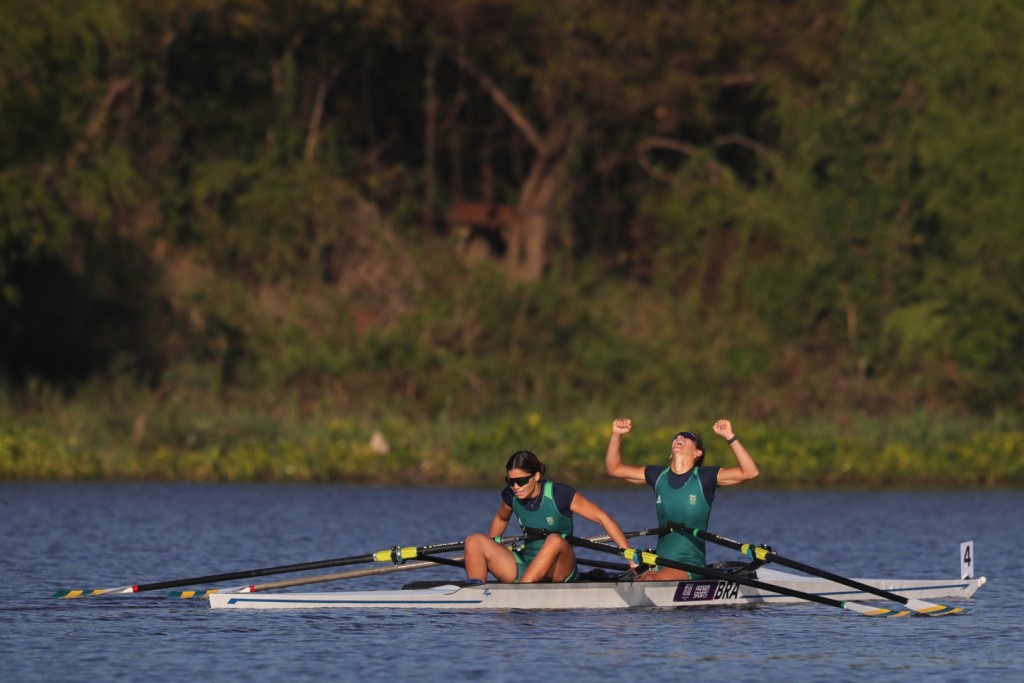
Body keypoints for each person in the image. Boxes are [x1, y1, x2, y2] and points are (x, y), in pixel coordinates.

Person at [605, 418, 759, 580]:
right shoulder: (657, 475)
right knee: (632, 579)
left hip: (690, 564)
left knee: (647, 579)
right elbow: (614, 469)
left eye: (687, 437)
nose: (680, 437)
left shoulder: (704, 477)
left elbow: (750, 472)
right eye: (677, 437)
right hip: (659, 562)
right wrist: (616, 435)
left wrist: (729, 436)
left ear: (697, 453)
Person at [464, 450, 635, 584]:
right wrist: (491, 549)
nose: (515, 487)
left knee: (554, 539)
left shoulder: (560, 494)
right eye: (510, 481)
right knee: (474, 541)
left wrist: (630, 556)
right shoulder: (511, 496)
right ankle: (476, 591)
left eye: (521, 481)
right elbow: (501, 519)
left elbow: (602, 518)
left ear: (536, 476)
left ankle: (521, 591)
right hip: (526, 564)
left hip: (559, 570)